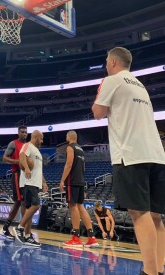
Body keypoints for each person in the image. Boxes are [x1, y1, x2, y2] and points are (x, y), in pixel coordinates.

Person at [92, 47, 165, 275]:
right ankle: (159, 269)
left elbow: (98, 112)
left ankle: (150, 272)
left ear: (113, 61)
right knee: (156, 217)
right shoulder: (140, 85)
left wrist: (98, 95)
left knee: (140, 214)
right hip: (156, 154)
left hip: (131, 155)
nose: (105, 64)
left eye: (106, 60)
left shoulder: (111, 80)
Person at [59, 130, 98, 248]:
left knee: (73, 206)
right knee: (81, 206)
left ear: (68, 137)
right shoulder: (81, 149)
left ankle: (76, 237)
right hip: (81, 180)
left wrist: (62, 180)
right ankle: (91, 237)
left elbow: (69, 164)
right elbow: (83, 168)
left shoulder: (70, 147)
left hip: (72, 181)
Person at [14, 130, 48, 247]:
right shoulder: (27, 145)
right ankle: (19, 228)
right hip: (29, 182)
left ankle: (28, 236)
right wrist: (27, 168)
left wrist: (43, 182)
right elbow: (22, 156)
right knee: (35, 205)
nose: (42, 141)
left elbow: (39, 169)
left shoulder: (37, 151)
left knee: (30, 210)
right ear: (36, 137)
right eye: (41, 138)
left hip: (35, 183)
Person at [0, 125, 27, 239]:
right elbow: (5, 158)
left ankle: (5, 228)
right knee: (21, 201)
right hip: (17, 174)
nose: (24, 134)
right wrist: (17, 161)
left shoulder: (27, 145)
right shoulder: (13, 144)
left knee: (18, 203)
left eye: (26, 132)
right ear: (18, 133)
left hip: (25, 175)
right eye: (22, 132)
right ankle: (22, 229)